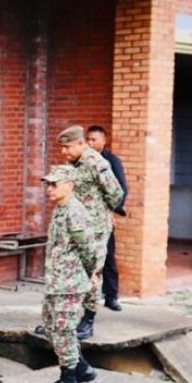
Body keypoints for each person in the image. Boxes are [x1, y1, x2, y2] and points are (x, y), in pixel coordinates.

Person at [58, 125, 124, 340]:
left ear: (80, 144)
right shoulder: (72, 162)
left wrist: (103, 214)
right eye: (62, 148)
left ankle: (87, 321)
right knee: (69, 271)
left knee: (92, 274)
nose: (64, 152)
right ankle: (63, 321)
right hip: (75, 226)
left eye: (67, 147)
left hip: (94, 229)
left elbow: (116, 193)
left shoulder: (97, 163)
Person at [37, 164, 98, 383]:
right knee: (51, 328)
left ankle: (69, 380)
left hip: (69, 284)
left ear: (69, 186)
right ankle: (82, 367)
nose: (49, 189)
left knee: (63, 330)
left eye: (54, 184)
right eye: (48, 184)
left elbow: (89, 250)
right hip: (56, 282)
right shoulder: (60, 209)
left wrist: (91, 274)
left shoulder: (75, 211)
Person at [86, 125, 127, 312]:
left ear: (104, 141)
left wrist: (111, 211)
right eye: (88, 139)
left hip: (104, 217)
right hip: (85, 217)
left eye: (94, 139)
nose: (90, 143)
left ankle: (111, 296)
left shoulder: (111, 161)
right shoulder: (83, 161)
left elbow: (120, 190)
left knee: (108, 256)